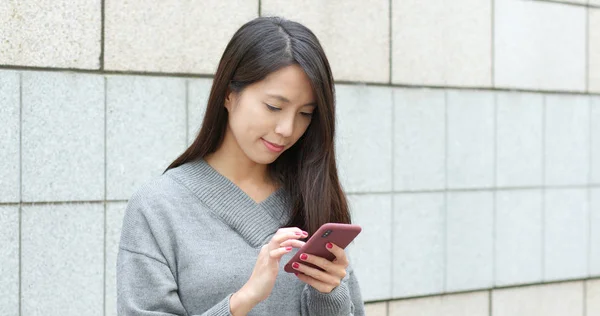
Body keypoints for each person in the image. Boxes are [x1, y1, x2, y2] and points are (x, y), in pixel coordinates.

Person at [117, 16, 365, 316]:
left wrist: (329, 296)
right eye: (274, 107)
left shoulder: (312, 196)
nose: (287, 128)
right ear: (228, 93)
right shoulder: (159, 205)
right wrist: (243, 300)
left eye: (305, 113)